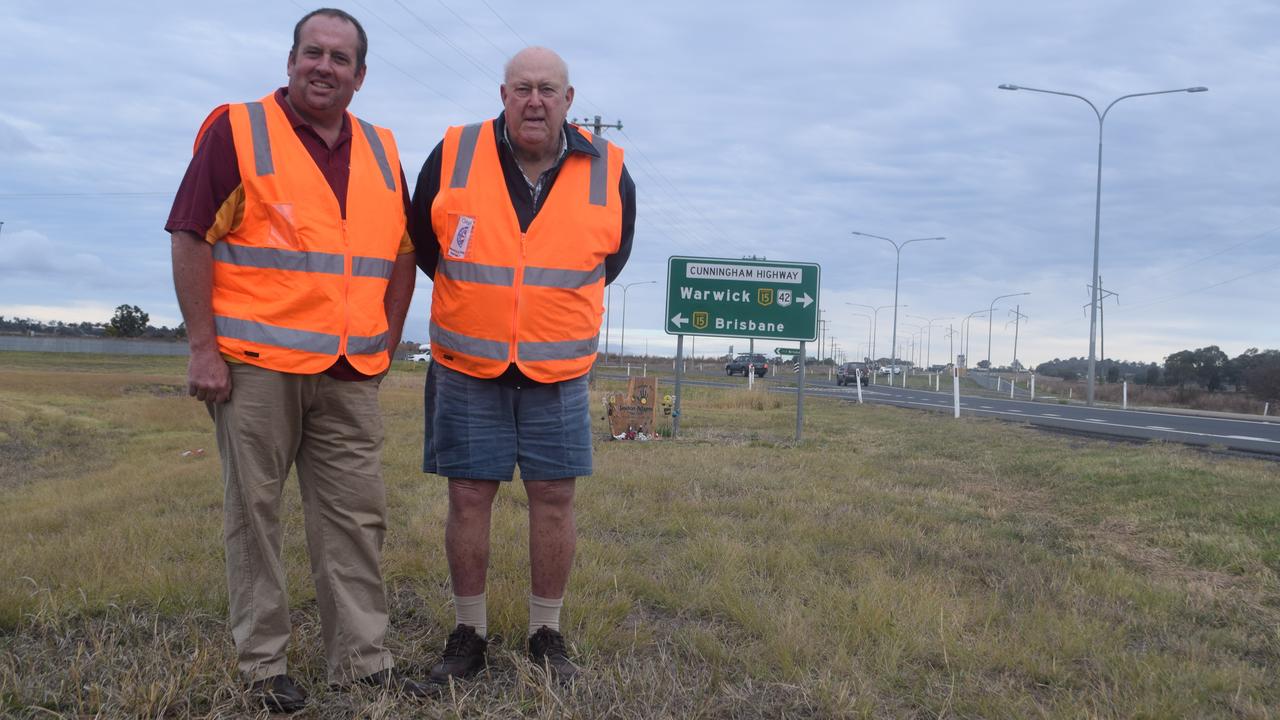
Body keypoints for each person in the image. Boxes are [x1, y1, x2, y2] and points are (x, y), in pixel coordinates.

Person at [166, 8, 431, 713]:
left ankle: (363, 662)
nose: (325, 66)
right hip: (256, 367)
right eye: (313, 52)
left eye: (340, 58)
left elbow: (404, 255)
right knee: (253, 515)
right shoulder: (238, 130)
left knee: (355, 518)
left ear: (361, 76)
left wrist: (386, 336)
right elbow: (192, 235)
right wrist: (203, 348)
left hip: (350, 374)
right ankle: (263, 666)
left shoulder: (381, 148)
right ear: (289, 62)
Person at [410, 46, 635, 685]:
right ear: (503, 95)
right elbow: (427, 245)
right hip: (467, 364)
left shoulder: (609, 170)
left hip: (557, 370)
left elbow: (608, 261)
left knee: (555, 499)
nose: (534, 100)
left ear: (569, 101)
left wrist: (538, 312)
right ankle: (469, 633)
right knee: (469, 495)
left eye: (548, 90)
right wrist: (487, 307)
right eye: (521, 89)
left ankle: (546, 633)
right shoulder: (453, 152)